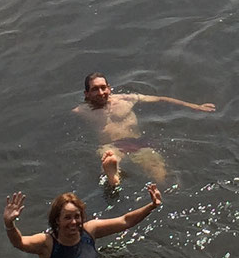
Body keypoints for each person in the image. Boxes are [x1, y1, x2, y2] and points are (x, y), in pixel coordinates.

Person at [2, 185, 163, 258]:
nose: (73, 222)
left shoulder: (90, 230)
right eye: (67, 217)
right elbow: (19, 243)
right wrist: (9, 224)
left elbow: (125, 221)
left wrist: (152, 206)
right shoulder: (47, 243)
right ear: (57, 220)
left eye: (77, 216)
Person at [76, 73, 217, 189]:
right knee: (108, 157)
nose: (100, 93)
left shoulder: (127, 99)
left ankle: (116, 178)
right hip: (112, 146)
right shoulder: (81, 111)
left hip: (137, 143)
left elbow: (161, 99)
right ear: (86, 94)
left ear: (109, 88)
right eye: (95, 89)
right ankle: (112, 176)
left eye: (103, 88)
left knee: (161, 177)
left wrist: (195, 106)